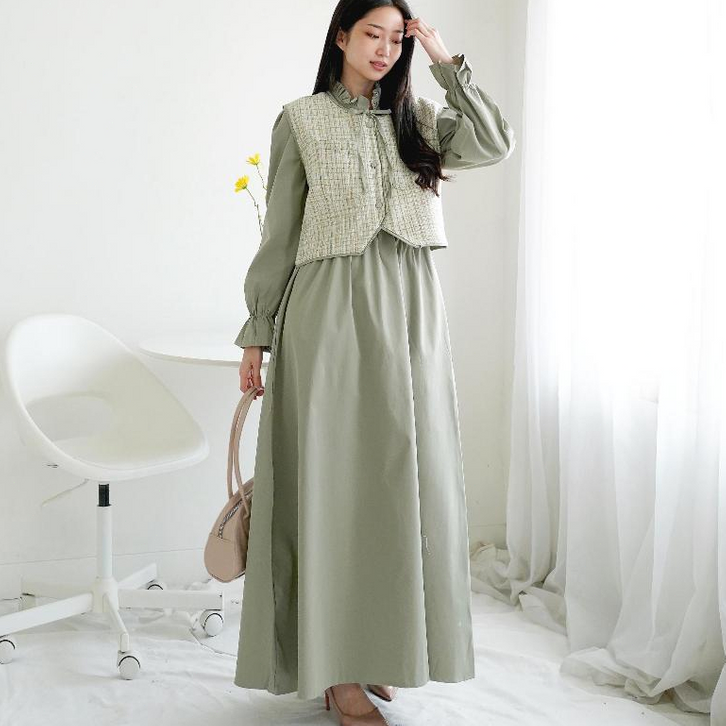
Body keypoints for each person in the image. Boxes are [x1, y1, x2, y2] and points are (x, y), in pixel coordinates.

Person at [233, 1, 515, 724]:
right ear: (341, 37)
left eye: (397, 38)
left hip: (412, 315)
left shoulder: (419, 119)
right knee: (334, 487)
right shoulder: (301, 120)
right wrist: (258, 333)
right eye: (371, 34)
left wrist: (445, 61)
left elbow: (493, 142)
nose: (385, 49)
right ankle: (335, 670)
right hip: (328, 313)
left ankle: (382, 649)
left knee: (398, 487)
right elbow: (280, 234)